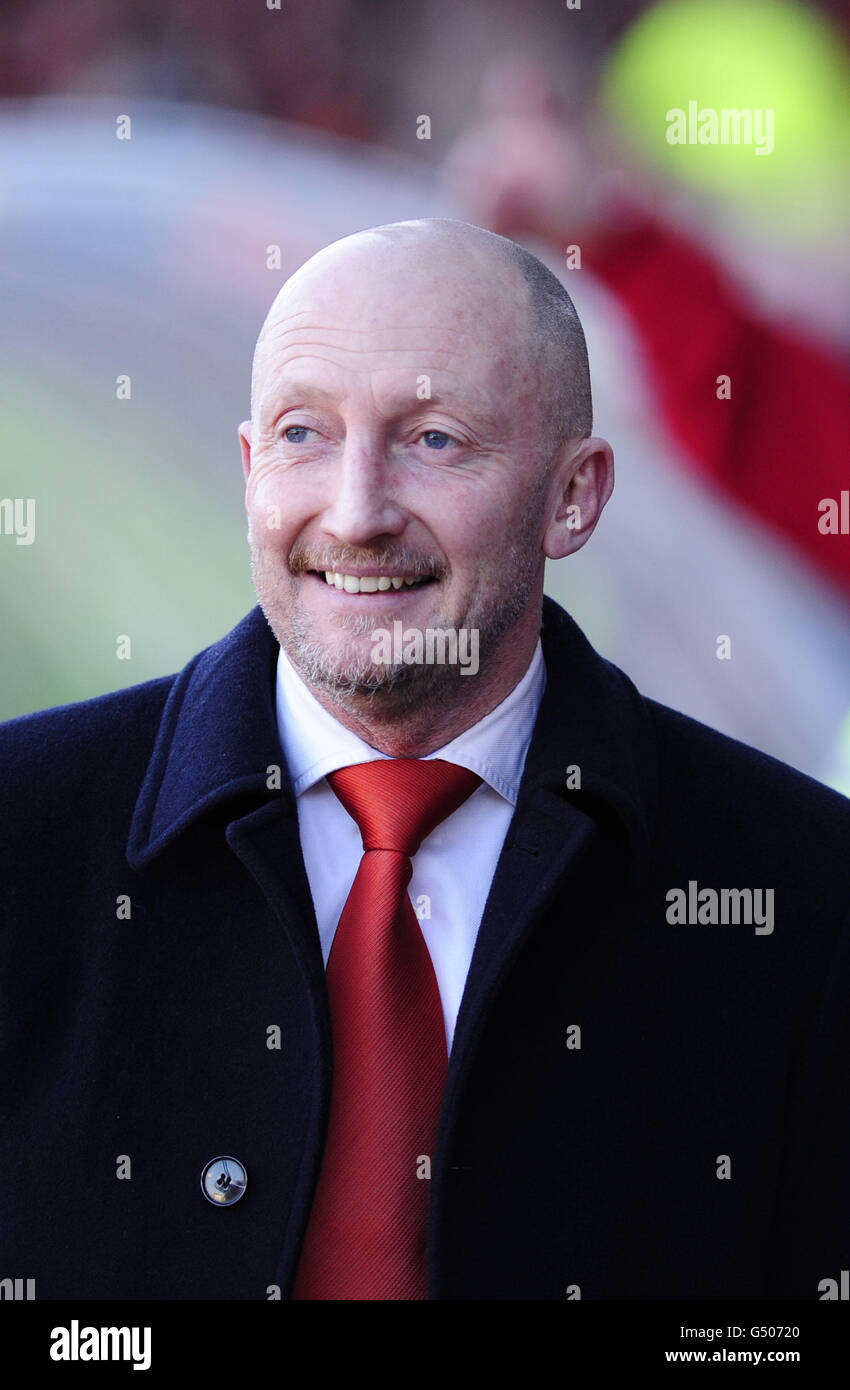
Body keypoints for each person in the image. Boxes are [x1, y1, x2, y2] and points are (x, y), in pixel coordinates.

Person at [1, 218, 848, 1302]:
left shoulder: (802, 897)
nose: (355, 514)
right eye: (306, 434)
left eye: (434, 439)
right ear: (251, 469)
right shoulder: (21, 839)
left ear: (574, 495)